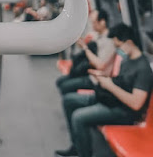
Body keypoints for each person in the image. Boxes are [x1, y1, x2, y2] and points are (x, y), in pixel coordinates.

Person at [55, 23, 153, 157]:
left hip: (123, 111)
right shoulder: (128, 60)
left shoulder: (143, 69)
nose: (118, 50)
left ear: (129, 42)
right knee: (69, 100)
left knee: (79, 117)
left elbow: (136, 104)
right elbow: (121, 83)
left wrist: (110, 85)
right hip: (112, 100)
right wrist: (104, 78)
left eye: (119, 46)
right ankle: (77, 146)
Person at [56, 9, 116, 95]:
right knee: (60, 81)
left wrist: (85, 48)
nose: (92, 26)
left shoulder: (108, 41)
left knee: (65, 86)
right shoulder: (96, 35)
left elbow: (101, 65)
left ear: (102, 22)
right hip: (87, 71)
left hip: (95, 78)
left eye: (94, 23)